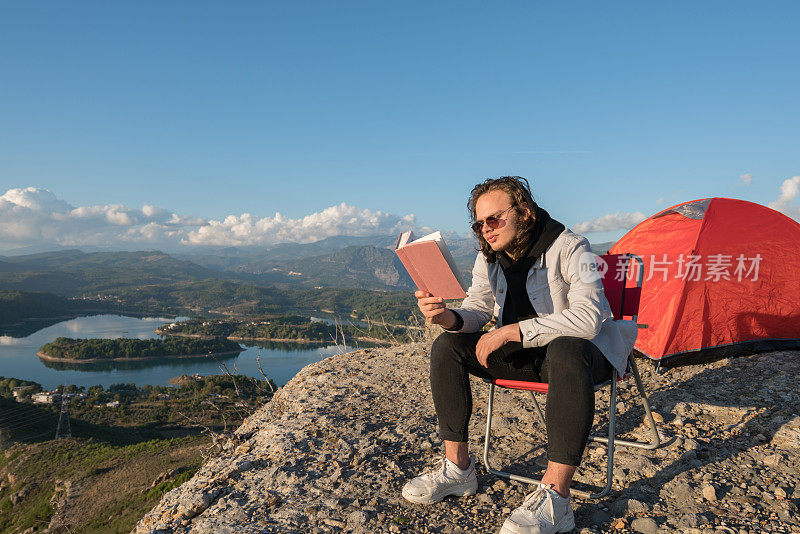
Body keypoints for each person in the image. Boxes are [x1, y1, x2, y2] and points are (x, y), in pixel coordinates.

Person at [401, 176, 637, 534]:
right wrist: (446, 318)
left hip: (585, 358)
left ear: (524, 212)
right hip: (530, 356)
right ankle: (458, 469)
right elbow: (478, 308)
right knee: (447, 345)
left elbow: (589, 318)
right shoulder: (490, 257)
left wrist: (514, 330)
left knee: (566, 348)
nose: (486, 230)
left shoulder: (574, 247)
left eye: (494, 219)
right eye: (479, 224)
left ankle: (556, 498)